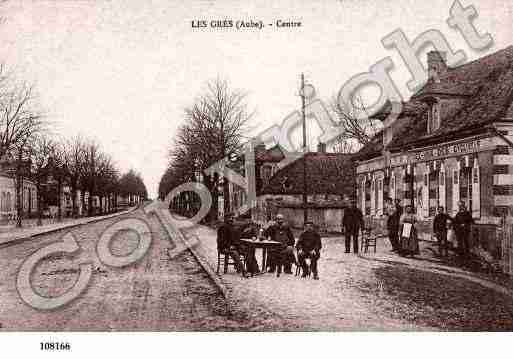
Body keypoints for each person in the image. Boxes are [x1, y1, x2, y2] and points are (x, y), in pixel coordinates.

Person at [217, 213, 247, 278]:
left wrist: (239, 246)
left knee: (246, 250)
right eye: (232, 218)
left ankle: (252, 270)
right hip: (223, 247)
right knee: (235, 253)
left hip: (231, 247)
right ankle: (244, 271)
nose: (233, 220)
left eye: (234, 218)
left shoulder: (231, 227)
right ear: (227, 218)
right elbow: (221, 240)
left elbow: (234, 240)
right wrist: (229, 246)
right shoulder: (223, 227)